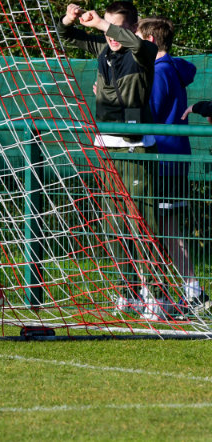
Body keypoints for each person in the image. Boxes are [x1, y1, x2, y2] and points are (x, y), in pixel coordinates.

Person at [57, 3, 166, 319]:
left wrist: (103, 25)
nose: (111, 36)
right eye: (107, 27)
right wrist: (69, 19)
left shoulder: (142, 51)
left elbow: (139, 45)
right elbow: (66, 36)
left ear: (131, 28)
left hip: (136, 149)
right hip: (106, 147)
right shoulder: (103, 47)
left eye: (116, 28)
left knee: (143, 223)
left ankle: (157, 295)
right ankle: (127, 293)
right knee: (114, 224)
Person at [136, 17, 209, 315]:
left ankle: (159, 292)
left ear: (150, 41)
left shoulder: (159, 72)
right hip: (173, 157)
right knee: (166, 228)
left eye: (137, 38)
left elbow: (148, 114)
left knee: (154, 228)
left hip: (161, 160)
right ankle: (189, 291)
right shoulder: (175, 67)